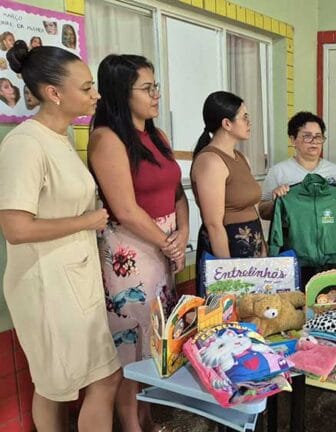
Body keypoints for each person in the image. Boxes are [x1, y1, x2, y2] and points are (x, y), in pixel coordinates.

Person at [0, 40, 121, 432]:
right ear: (54, 93)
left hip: (73, 279)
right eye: (85, 88)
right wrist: (87, 221)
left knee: (62, 383)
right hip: (46, 284)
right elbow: (16, 228)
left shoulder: (60, 138)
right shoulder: (24, 144)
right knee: (74, 382)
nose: (95, 94)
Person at [89, 54, 188, 432]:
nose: (156, 94)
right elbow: (126, 210)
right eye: (147, 88)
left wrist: (182, 233)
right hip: (130, 254)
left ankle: (147, 418)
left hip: (163, 248)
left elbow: (177, 191)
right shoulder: (106, 139)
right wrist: (168, 243)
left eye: (155, 86)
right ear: (121, 93)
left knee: (155, 339)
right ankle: (131, 425)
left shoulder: (157, 136)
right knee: (130, 343)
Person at [192, 91, 266, 295]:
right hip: (228, 247)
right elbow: (214, 224)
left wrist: (262, 249)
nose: (249, 123)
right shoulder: (210, 161)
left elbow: (252, 208)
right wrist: (228, 273)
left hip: (252, 243)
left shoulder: (241, 158)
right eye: (244, 117)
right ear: (226, 123)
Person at [260, 111, 336, 219]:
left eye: (318, 137)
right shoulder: (278, 172)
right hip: (292, 230)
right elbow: (263, 212)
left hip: (327, 229)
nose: (314, 141)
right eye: (307, 136)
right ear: (293, 140)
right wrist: (276, 201)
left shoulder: (335, 171)